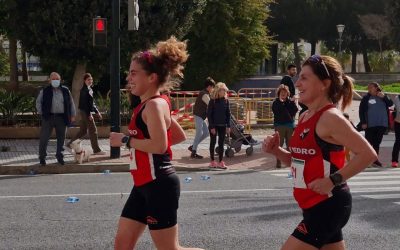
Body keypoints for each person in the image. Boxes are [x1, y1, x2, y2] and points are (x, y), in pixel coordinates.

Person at [263, 55, 376, 250]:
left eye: (305, 78)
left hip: (328, 205)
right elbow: (299, 161)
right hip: (311, 205)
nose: (297, 83)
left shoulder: (330, 118)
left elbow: (368, 154)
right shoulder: (306, 115)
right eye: (299, 77)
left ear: (324, 84)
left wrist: (332, 180)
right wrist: (277, 151)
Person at [109, 36, 203, 250]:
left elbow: (160, 147)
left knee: (171, 249)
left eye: (134, 73)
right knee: (122, 245)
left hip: (159, 185)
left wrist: (126, 140)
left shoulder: (153, 106)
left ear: (151, 77)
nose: (128, 78)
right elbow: (178, 136)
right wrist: (140, 145)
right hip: (142, 185)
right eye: (129, 73)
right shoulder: (154, 104)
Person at [36, 72, 76, 166]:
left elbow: (71, 103)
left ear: (60, 80)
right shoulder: (45, 90)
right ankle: (42, 157)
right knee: (44, 138)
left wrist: (73, 115)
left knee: (61, 139)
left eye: (57, 79)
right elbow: (38, 102)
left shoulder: (65, 90)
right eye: (53, 79)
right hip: (48, 117)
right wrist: (42, 113)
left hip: (62, 118)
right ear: (49, 80)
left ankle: (60, 157)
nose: (55, 81)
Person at [67, 73, 106, 155]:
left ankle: (69, 144)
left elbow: (91, 103)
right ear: (84, 81)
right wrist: (89, 114)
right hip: (85, 112)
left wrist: (97, 112)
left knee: (83, 131)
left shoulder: (89, 89)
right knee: (93, 130)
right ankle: (96, 150)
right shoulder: (85, 90)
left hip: (84, 112)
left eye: (91, 79)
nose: (90, 81)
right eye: (88, 80)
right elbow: (85, 104)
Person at [359, 82, 393, 167]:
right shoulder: (366, 98)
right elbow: (361, 111)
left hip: (382, 124)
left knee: (377, 143)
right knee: (369, 143)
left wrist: (384, 97)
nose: (369, 89)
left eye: (371, 87)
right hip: (370, 124)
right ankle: (367, 161)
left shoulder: (383, 96)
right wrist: (363, 122)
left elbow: (390, 104)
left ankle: (375, 159)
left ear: (376, 87)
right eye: (368, 88)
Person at [188, 77, 215, 159]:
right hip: (199, 116)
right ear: (209, 86)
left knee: (206, 133)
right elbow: (210, 105)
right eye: (212, 87)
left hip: (201, 116)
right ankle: (194, 152)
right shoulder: (204, 94)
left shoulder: (205, 93)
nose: (213, 89)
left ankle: (193, 147)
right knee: (199, 133)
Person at [272, 84, 298, 168]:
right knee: (279, 144)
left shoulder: (290, 102)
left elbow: (295, 110)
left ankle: (289, 162)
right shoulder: (276, 102)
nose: (283, 94)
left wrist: (292, 102)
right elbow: (276, 111)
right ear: (279, 93)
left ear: (287, 93)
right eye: (282, 92)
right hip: (279, 125)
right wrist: (281, 103)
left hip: (289, 125)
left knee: (290, 145)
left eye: (285, 92)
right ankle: (278, 162)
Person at [207, 82, 231, 170]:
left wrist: (228, 126)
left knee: (221, 143)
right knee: (212, 142)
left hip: (223, 125)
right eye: (222, 90)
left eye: (225, 90)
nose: (224, 92)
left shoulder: (226, 100)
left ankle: (221, 161)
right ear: (218, 91)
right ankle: (212, 161)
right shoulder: (212, 101)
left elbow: (228, 114)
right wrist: (212, 126)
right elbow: (209, 114)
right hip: (214, 125)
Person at [391, 94, 400, 168]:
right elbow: (398, 108)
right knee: (398, 141)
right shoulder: (397, 98)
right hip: (398, 122)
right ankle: (394, 160)